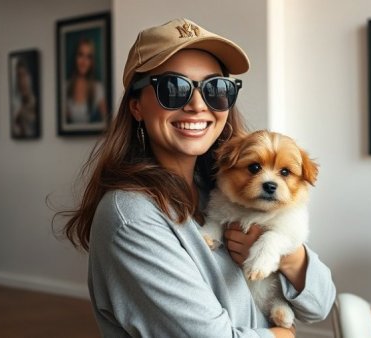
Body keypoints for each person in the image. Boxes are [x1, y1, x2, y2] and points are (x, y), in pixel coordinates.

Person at [57, 18, 335, 337]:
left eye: (216, 89)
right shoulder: (132, 218)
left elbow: (321, 304)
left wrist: (287, 256)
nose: (197, 105)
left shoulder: (223, 192)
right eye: (173, 89)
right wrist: (280, 336)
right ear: (136, 106)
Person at [64, 38, 108, 124]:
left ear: (91, 62)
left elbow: (107, 120)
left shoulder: (97, 88)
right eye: (80, 55)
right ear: (75, 58)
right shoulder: (65, 87)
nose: (84, 61)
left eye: (88, 57)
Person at [11, 58, 38, 138]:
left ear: (31, 77)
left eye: (24, 75)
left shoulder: (37, 105)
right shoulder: (16, 110)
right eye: (18, 77)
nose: (21, 82)